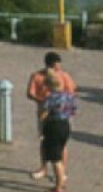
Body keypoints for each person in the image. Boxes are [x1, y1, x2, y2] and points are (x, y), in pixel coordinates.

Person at [26, 52, 77, 180]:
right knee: (44, 142)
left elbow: (72, 90)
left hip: (60, 116)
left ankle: (61, 171)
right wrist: (42, 99)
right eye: (56, 65)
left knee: (61, 145)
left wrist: (57, 101)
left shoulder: (64, 75)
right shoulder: (37, 76)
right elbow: (30, 93)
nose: (58, 67)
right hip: (45, 115)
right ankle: (43, 168)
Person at [37, 67, 79, 192]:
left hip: (53, 126)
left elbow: (42, 115)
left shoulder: (50, 98)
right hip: (65, 125)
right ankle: (61, 181)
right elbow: (74, 111)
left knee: (55, 158)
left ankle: (59, 186)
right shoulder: (69, 96)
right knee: (61, 150)